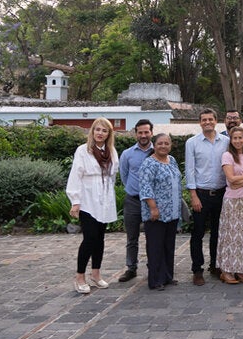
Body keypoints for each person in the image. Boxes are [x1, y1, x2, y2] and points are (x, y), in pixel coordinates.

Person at [67, 117, 119, 294]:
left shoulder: (111, 151)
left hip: (104, 199)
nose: (100, 133)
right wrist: (75, 201)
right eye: (98, 129)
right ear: (92, 131)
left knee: (100, 239)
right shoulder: (83, 151)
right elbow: (76, 175)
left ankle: (96, 274)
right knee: (89, 238)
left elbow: (113, 175)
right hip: (88, 199)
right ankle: (80, 276)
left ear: (108, 134)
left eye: (104, 131)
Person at [186, 108, 230, 286]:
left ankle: (215, 265)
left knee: (218, 233)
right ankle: (197, 270)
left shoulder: (226, 141)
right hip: (201, 194)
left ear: (216, 121)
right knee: (197, 233)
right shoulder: (192, 142)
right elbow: (189, 169)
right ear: (200, 122)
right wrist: (193, 195)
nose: (207, 122)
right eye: (204, 120)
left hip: (221, 193)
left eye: (210, 119)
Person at [138, 133, 182, 290]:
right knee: (155, 247)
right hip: (156, 213)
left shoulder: (172, 161)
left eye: (166, 143)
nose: (163, 146)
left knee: (168, 246)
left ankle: (167, 276)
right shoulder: (149, 164)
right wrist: (153, 207)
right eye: (160, 143)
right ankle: (156, 280)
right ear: (154, 145)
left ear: (170, 145)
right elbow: (145, 187)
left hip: (172, 213)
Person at [217, 126, 243, 285]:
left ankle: (240, 269)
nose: (238, 141)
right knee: (230, 236)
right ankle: (226, 271)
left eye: (240, 138)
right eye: (235, 138)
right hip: (232, 201)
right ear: (230, 139)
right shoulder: (227, 156)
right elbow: (230, 178)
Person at [118, 119, 153, 282]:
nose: (143, 135)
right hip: (133, 201)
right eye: (140, 132)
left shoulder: (159, 150)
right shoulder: (127, 154)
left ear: (151, 133)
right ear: (136, 133)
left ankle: (153, 267)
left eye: (146, 132)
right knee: (132, 238)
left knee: (153, 237)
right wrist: (134, 190)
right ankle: (131, 268)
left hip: (152, 202)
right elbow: (124, 176)